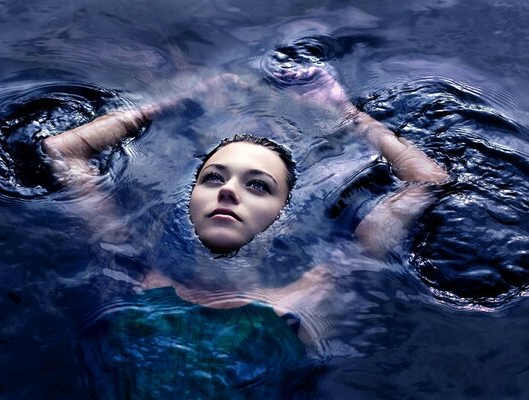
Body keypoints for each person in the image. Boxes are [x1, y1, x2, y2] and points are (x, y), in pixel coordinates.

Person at [43, 66, 448, 397]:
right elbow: (64, 151)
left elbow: (428, 182)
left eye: (258, 185)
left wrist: (344, 111)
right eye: (213, 178)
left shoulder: (309, 299)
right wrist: (180, 100)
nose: (228, 190)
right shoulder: (130, 272)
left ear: (282, 216)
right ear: (190, 199)